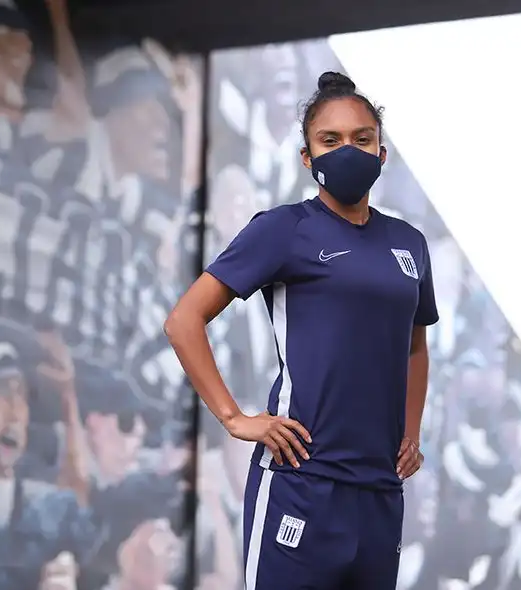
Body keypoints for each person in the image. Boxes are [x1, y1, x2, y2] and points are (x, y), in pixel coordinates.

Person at [164, 71, 438, 589]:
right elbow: (184, 321)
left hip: (380, 491)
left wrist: (411, 431)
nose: (347, 150)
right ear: (307, 158)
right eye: (329, 141)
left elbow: (415, 346)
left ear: (382, 154)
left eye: (362, 139)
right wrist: (235, 418)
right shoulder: (285, 228)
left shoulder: (411, 244)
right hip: (301, 481)